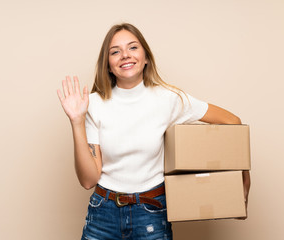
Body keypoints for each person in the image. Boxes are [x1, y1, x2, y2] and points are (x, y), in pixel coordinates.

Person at [57, 23, 250, 240]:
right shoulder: (92, 104)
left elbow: (232, 122)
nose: (124, 55)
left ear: (146, 57)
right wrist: (76, 121)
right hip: (103, 213)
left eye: (132, 47)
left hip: (151, 213)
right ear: (108, 65)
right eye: (115, 51)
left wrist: (242, 180)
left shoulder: (169, 99)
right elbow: (88, 180)